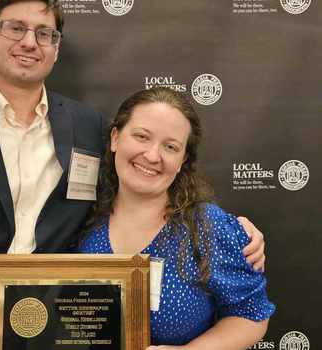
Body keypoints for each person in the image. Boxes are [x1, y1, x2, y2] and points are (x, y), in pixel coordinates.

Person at [0, 1, 266, 350]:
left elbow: (139, 193)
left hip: (57, 336)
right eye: (15, 27)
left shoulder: (84, 125)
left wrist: (235, 231)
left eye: (45, 33)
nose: (29, 42)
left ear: (56, 49)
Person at [79, 87, 275, 349]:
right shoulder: (80, 215)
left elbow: (250, 315)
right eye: (141, 136)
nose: (152, 155)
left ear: (182, 159)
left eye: (170, 147)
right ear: (115, 138)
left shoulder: (208, 227)